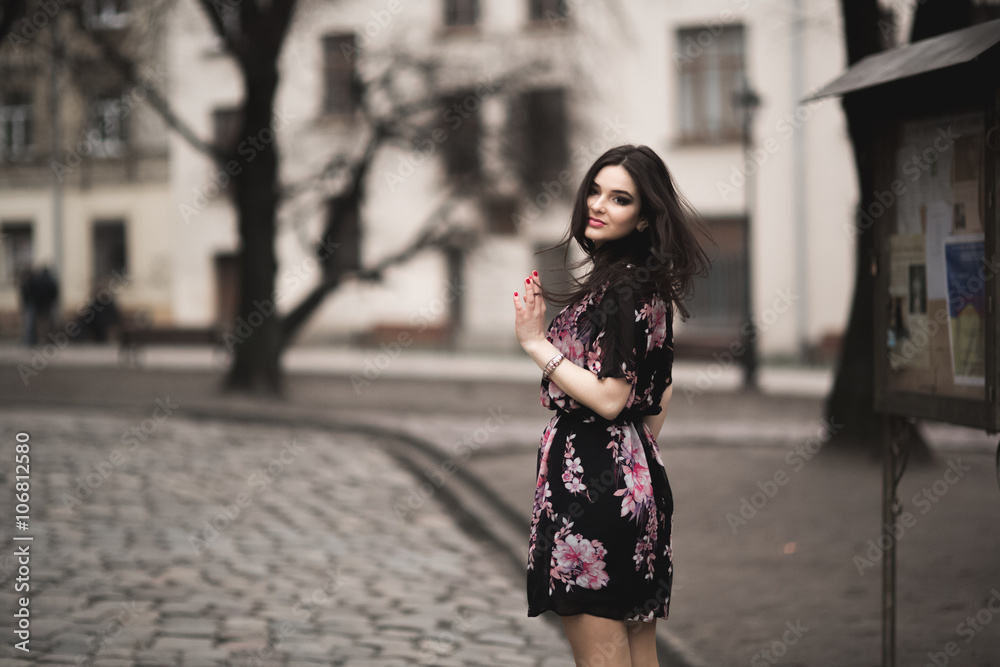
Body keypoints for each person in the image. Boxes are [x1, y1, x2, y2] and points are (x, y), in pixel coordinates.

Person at [513, 144, 711, 666]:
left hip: (594, 497)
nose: (599, 205)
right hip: (630, 481)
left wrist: (537, 344)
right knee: (639, 654)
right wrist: (632, 465)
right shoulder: (645, 286)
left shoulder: (622, 289)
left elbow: (610, 397)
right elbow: (659, 393)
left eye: (620, 199)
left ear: (646, 216)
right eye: (595, 191)